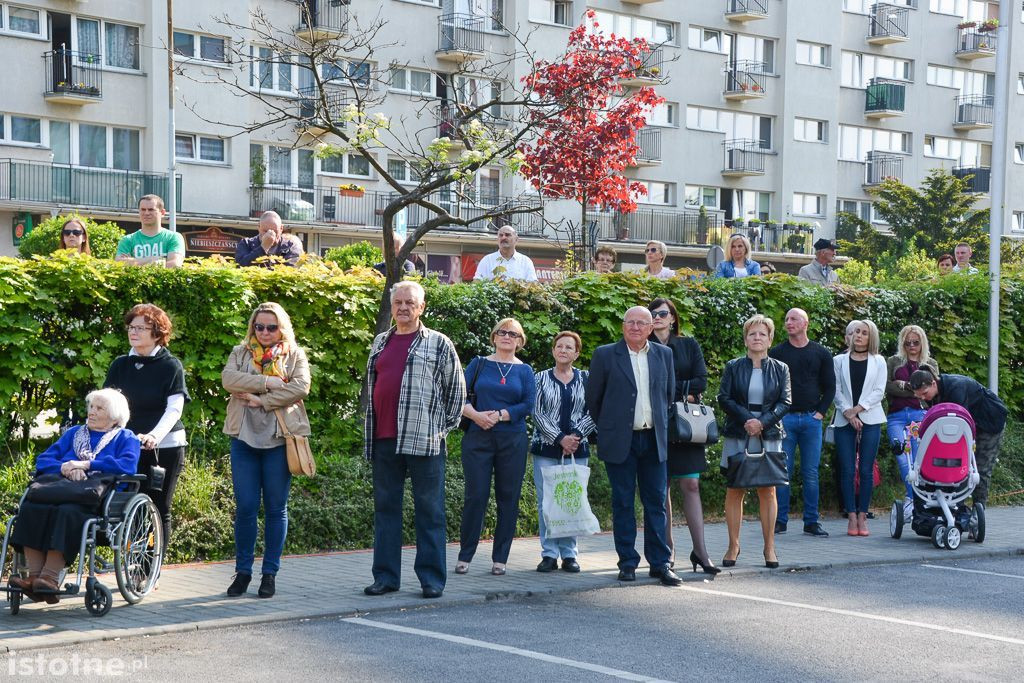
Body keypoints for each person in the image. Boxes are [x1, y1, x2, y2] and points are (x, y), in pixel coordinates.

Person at [362, 281, 466, 599]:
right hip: (384, 439)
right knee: (386, 509)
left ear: (421, 307)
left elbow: (456, 394)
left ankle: (431, 579)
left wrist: (440, 429)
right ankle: (386, 577)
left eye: (410, 302)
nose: (403, 307)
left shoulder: (438, 343)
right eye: (398, 302)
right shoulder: (381, 341)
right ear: (392, 307)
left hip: (425, 440)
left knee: (429, 510)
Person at [9, 389, 140, 603]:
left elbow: (127, 465)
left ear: (115, 416)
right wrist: (65, 468)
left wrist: (87, 465)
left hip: (93, 499)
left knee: (68, 512)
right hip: (60, 489)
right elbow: (43, 460)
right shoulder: (74, 434)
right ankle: (33, 579)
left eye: (99, 408)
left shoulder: (125, 438)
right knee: (31, 508)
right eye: (91, 407)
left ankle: (49, 579)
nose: (92, 412)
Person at [585, 307, 682, 586]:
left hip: (654, 439)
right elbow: (594, 399)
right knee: (623, 502)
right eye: (631, 322)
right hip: (620, 441)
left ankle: (660, 563)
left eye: (642, 323)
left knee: (656, 504)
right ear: (623, 326)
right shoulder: (605, 354)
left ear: (651, 327)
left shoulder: (664, 354)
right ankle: (627, 562)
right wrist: (611, 427)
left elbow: (668, 395)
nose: (636, 327)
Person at [221, 302, 311, 599]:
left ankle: (269, 573)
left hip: (279, 439)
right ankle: (243, 572)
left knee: (275, 508)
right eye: (259, 327)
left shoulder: (295, 354)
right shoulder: (241, 351)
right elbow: (228, 379)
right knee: (246, 507)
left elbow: (300, 388)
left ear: (281, 328)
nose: (264, 332)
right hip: (244, 438)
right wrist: (269, 381)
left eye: (271, 327)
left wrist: (262, 400)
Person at [103, 304, 190, 553]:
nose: (134, 331)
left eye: (142, 327)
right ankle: (131, 557)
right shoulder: (120, 364)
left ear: (157, 332)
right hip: (127, 446)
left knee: (158, 506)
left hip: (164, 447)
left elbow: (174, 409)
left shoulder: (171, 365)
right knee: (127, 503)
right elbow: (109, 404)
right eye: (132, 326)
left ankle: (153, 563)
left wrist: (154, 436)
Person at [457, 318, 536, 576]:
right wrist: (477, 416)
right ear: (493, 337)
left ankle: (500, 558)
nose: (507, 337)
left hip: (512, 439)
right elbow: (459, 396)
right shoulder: (479, 364)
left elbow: (528, 404)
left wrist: (501, 414)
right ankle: (465, 555)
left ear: (520, 341)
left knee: (508, 499)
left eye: (513, 334)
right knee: (475, 497)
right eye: (502, 332)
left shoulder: (525, 371)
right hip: (478, 438)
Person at [647, 298, 718, 574]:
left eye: (663, 313)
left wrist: (675, 393)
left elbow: (701, 380)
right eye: (653, 314)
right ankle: (668, 551)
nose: (658, 317)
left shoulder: (688, 345)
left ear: (673, 318)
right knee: (660, 487)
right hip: (654, 424)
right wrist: (682, 391)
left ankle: (701, 551)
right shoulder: (645, 347)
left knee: (691, 485)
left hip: (685, 425)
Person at [718, 314, 791, 569]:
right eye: (752, 334)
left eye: (762, 334)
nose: (757, 338)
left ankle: (769, 546)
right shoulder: (733, 366)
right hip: (739, 432)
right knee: (735, 489)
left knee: (768, 490)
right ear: (745, 339)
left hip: (768, 434)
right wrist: (748, 420)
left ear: (770, 339)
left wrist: (763, 423)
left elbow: (785, 402)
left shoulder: (781, 368)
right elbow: (724, 398)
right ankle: (733, 545)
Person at [530, 331, 595, 573]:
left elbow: (594, 411)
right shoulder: (540, 378)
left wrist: (575, 437)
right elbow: (536, 412)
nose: (563, 350)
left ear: (577, 353)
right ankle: (548, 554)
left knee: (571, 500)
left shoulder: (586, 378)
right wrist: (559, 438)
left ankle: (569, 555)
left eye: (569, 347)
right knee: (546, 501)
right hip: (546, 449)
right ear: (553, 350)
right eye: (559, 346)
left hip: (578, 449)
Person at [769, 308, 835, 537]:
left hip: (811, 420)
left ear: (805, 323)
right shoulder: (777, 353)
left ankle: (811, 522)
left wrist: (820, 413)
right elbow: (771, 386)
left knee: (810, 472)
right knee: (782, 472)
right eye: (786, 319)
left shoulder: (821, 353)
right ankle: (780, 520)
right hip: (784, 420)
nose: (788, 322)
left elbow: (830, 387)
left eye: (793, 319)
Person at [910, 368, 1007, 511]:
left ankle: (977, 512)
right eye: (919, 397)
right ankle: (954, 507)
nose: (923, 399)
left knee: (979, 469)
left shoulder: (956, 387)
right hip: (970, 423)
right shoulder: (934, 393)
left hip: (990, 422)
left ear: (933, 383)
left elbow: (959, 422)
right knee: (954, 463)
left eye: (924, 394)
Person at [833, 319, 887, 537]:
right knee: (846, 470)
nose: (859, 335)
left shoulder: (879, 361)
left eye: (864, 332)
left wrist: (858, 410)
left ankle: (863, 515)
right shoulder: (838, 360)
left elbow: (879, 391)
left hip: (870, 419)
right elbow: (835, 389)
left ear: (871, 336)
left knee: (865, 470)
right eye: (856, 331)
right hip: (844, 419)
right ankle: (851, 515)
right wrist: (848, 412)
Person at [886, 325, 939, 519]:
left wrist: (904, 385)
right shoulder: (893, 361)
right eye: (907, 342)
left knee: (919, 459)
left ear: (922, 342)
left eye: (915, 342)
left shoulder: (930, 363)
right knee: (902, 457)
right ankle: (913, 498)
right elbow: (887, 387)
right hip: (896, 416)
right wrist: (914, 388)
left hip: (920, 415)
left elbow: (933, 391)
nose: (911, 346)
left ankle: (916, 500)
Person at [115, 195, 185, 268]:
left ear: (162, 213)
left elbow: (175, 265)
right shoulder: (127, 240)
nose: (146, 213)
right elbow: (119, 264)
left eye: (151, 209)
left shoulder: (173, 237)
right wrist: (153, 260)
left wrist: (132, 261)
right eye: (143, 209)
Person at [235, 211, 304, 267]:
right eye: (265, 231)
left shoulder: (290, 246)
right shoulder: (246, 244)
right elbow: (240, 267)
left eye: (275, 231)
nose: (270, 234)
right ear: (259, 227)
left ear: (281, 229)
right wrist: (263, 248)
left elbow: (291, 271)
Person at [473, 226, 538, 281]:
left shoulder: (526, 261)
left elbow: (533, 285)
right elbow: (477, 283)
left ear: (516, 239)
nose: (503, 237)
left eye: (507, 235)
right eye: (501, 235)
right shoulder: (487, 260)